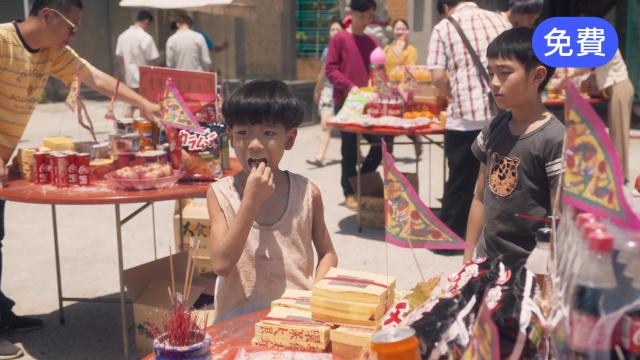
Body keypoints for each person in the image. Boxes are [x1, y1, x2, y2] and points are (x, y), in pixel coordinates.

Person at [0, 0, 160, 357]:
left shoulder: (52, 52)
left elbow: (97, 78)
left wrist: (145, 104)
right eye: (71, 26)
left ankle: (1, 314)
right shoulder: (2, 41)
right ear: (47, 15)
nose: (74, 35)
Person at [207, 80, 338, 322]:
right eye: (243, 133)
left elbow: (328, 253)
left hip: (295, 321)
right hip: (235, 321)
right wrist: (250, 202)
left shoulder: (308, 194)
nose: (255, 145)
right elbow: (221, 264)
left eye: (269, 133)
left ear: (289, 139)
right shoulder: (220, 194)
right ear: (230, 137)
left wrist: (316, 294)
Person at [464, 27, 562, 269]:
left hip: (530, 267)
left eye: (505, 73)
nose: (495, 83)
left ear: (537, 76)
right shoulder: (492, 129)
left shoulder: (555, 138)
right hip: (486, 261)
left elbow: (561, 218)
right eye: (491, 73)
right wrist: (468, 259)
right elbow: (480, 198)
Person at [427, 0, 511, 246]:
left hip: (464, 116)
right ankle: (494, 234)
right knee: (500, 179)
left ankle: (452, 238)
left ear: (444, 5)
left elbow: (437, 77)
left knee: (460, 179)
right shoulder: (499, 20)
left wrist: (453, 93)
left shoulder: (444, 27)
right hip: (501, 111)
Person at [326, 0, 393, 210]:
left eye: (369, 17)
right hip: (346, 102)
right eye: (363, 16)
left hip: (369, 103)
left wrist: (385, 88)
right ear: (352, 13)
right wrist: (349, 86)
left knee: (383, 142)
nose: (366, 21)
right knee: (349, 149)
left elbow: (378, 71)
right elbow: (331, 69)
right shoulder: (339, 39)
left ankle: (361, 180)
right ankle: (348, 191)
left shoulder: (372, 41)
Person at [307, 20, 344, 168]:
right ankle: (320, 157)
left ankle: (357, 154)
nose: (334, 32)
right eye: (332, 29)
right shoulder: (327, 51)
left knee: (349, 128)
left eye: (337, 29)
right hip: (328, 91)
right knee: (326, 125)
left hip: (344, 92)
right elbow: (323, 73)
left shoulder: (348, 49)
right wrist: (318, 90)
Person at [383, 18, 422, 158]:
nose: (400, 31)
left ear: (408, 31)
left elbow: (410, 70)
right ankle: (389, 156)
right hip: (388, 90)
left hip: (404, 90)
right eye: (397, 29)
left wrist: (402, 87)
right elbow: (383, 68)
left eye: (403, 28)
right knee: (389, 125)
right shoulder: (387, 49)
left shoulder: (411, 50)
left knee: (404, 123)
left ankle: (415, 139)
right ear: (393, 31)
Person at [115, 10, 159, 117]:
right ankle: (147, 130)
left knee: (129, 104)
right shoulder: (146, 37)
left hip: (129, 77)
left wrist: (123, 75)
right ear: (146, 21)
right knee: (147, 106)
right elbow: (152, 60)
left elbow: (119, 59)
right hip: (145, 78)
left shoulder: (122, 36)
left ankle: (127, 129)